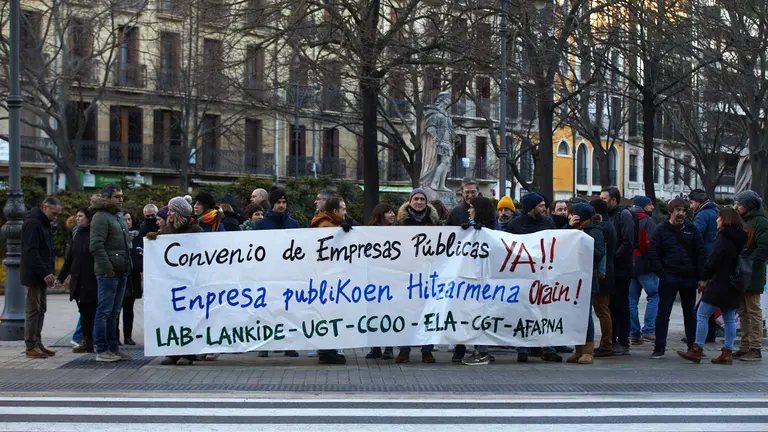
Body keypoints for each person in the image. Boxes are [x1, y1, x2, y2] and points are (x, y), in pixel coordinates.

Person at [678, 207, 747, 365]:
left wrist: (705, 275)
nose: (717, 220)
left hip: (719, 282)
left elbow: (714, 259)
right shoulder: (741, 237)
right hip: (733, 282)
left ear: (725, 219)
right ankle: (727, 352)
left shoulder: (723, 237)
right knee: (729, 318)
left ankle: (697, 350)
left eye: (719, 218)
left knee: (702, 314)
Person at [504, 192, 561, 362]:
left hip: (543, 274)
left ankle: (546, 346)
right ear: (531, 208)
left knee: (544, 311)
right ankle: (522, 347)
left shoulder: (548, 222)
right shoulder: (515, 224)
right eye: (541, 205)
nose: (544, 208)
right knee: (523, 311)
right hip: (522, 275)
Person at [647, 198, 705, 359]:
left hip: (689, 278)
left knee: (690, 314)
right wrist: (662, 274)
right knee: (663, 313)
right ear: (671, 211)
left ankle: (693, 347)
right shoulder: (661, 230)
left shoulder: (692, 230)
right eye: (678, 210)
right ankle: (659, 348)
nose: (681, 213)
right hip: (669, 278)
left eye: (684, 210)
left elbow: (700, 254)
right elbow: (653, 254)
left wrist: (701, 277)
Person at [151, 197, 206, 366]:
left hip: (190, 281)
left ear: (179, 213)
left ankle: (188, 353)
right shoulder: (167, 230)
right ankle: (172, 352)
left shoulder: (195, 230)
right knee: (172, 317)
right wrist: (154, 243)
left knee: (188, 318)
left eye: (171, 210)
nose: (168, 213)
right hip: (171, 282)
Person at [89, 184, 133, 362]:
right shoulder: (100, 217)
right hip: (110, 272)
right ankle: (102, 349)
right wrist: (108, 270)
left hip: (121, 270)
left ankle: (113, 347)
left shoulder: (118, 216)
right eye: (116, 196)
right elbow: (96, 246)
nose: (120, 199)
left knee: (114, 312)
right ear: (106, 198)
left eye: (121, 196)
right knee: (105, 311)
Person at [254, 188, 300, 358]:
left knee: (288, 310)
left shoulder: (293, 224)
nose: (282, 205)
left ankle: (289, 344)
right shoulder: (262, 225)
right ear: (272, 204)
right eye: (278, 202)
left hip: (288, 274)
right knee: (267, 310)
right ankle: (265, 344)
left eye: (284, 202)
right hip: (268, 274)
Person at [396, 189, 440, 363]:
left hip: (428, 272)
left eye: (422, 199)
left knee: (427, 312)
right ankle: (404, 350)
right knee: (405, 312)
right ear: (410, 201)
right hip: (406, 273)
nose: (419, 202)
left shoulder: (435, 223)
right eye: (416, 199)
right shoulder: (400, 223)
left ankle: (426, 350)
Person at [309, 195, 352, 365]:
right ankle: (327, 351)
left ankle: (329, 350)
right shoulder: (325, 226)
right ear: (335, 211)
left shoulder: (329, 223)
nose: (345, 212)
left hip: (329, 277)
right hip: (327, 277)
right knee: (329, 313)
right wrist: (339, 232)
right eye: (343, 209)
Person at [21, 197, 62, 359]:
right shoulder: (33, 223)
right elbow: (32, 252)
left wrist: (49, 272)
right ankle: (31, 345)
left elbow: (46, 251)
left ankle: (37, 343)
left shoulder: (43, 223)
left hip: (41, 274)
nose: (55, 217)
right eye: (54, 213)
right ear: (45, 207)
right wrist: (45, 272)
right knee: (33, 309)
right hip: (34, 274)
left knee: (41, 308)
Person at [565, 203, 605, 365]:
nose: (570, 217)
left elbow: (599, 253)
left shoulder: (595, 231)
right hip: (575, 278)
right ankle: (578, 349)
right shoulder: (573, 231)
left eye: (573, 214)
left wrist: (581, 240)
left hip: (588, 279)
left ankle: (588, 350)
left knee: (586, 315)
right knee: (576, 315)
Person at [462, 196, 501, 366]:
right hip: (476, 279)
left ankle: (482, 351)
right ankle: (480, 349)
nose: (469, 210)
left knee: (482, 313)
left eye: (472, 208)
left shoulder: (492, 231)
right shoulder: (474, 229)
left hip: (485, 281)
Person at [600, 186, 636, 355]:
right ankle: (613, 338)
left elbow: (628, 242)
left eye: (604, 198)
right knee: (612, 304)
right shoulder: (609, 216)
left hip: (621, 267)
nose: (602, 201)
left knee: (621, 304)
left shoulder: (624, 215)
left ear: (613, 200)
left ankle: (623, 340)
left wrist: (613, 258)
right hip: (613, 267)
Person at [57, 207, 98, 354]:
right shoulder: (76, 234)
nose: (78, 218)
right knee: (84, 312)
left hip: (91, 280)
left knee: (91, 312)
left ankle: (92, 341)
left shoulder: (94, 234)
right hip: (78, 280)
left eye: (81, 216)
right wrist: (61, 278)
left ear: (88, 218)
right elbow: (69, 259)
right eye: (77, 216)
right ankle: (86, 341)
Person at [734, 190, 768, 361]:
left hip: (752, 274)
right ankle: (745, 345)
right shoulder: (745, 221)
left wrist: (749, 262)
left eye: (740, 204)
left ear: (749, 206)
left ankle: (755, 348)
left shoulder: (760, 222)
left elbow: (764, 246)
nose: (737, 206)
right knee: (743, 311)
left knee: (753, 311)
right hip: (743, 272)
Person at [365, 203, 397, 360]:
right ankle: (375, 347)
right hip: (374, 279)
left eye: (393, 212)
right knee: (374, 313)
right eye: (388, 212)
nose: (392, 215)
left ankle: (389, 347)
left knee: (389, 313)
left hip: (392, 279)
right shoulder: (368, 233)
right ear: (380, 215)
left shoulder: (398, 233)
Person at [628, 195, 659, 345]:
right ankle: (648, 330)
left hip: (630, 264)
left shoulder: (626, 219)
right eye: (650, 205)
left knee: (631, 300)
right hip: (645, 265)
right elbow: (652, 245)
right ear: (643, 206)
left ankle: (633, 333)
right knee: (654, 295)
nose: (652, 207)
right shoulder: (648, 222)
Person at [590, 199, 617, 358]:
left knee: (602, 310)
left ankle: (606, 344)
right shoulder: (608, 225)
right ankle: (607, 342)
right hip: (608, 271)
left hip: (603, 274)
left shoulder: (601, 228)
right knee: (603, 310)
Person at [117, 211, 142, 346]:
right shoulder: (117, 236)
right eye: (125, 219)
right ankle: (115, 336)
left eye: (129, 219)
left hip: (133, 278)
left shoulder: (137, 236)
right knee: (116, 309)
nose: (128, 222)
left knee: (129, 309)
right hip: (121, 275)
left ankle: (128, 336)